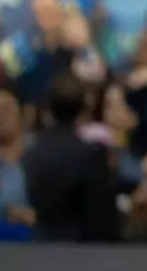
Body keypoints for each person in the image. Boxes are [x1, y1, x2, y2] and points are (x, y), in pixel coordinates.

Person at [23, 71, 120, 243]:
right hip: (80, 248)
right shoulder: (90, 155)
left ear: (48, 106)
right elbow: (101, 216)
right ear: (84, 107)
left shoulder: (32, 152)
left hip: (42, 244)